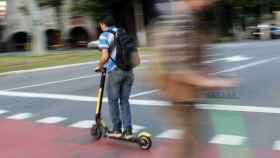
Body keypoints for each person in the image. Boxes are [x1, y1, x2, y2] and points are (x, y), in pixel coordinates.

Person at [150, 0, 237, 157]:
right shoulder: (179, 19)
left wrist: (205, 75)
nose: (209, 3)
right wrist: (211, 82)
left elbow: (190, 56)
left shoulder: (188, 17)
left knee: (191, 137)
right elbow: (177, 69)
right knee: (188, 140)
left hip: (185, 91)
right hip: (178, 91)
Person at [95, 16, 137, 139]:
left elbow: (105, 56)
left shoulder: (104, 36)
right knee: (124, 101)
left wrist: (99, 66)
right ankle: (128, 131)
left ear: (103, 24)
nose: (100, 27)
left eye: (100, 25)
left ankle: (117, 130)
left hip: (115, 71)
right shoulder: (122, 32)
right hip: (129, 71)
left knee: (113, 101)